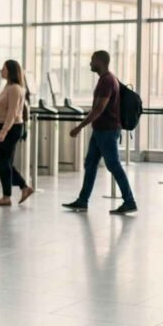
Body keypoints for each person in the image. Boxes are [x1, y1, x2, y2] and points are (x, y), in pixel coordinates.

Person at [62, 50, 137, 215]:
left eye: (92, 60)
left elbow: (99, 109)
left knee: (114, 165)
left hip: (107, 131)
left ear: (100, 62)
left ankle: (130, 201)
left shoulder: (106, 81)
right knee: (90, 164)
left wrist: (79, 126)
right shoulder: (108, 79)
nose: (90, 63)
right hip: (100, 130)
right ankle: (83, 201)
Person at [0, 59, 34, 206]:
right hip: (8, 126)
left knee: (2, 161)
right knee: (5, 162)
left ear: (10, 71)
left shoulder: (15, 88)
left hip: (11, 128)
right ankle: (23, 188)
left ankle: (8, 196)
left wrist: (3, 132)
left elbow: (12, 113)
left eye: (3, 68)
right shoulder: (8, 86)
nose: (1, 71)